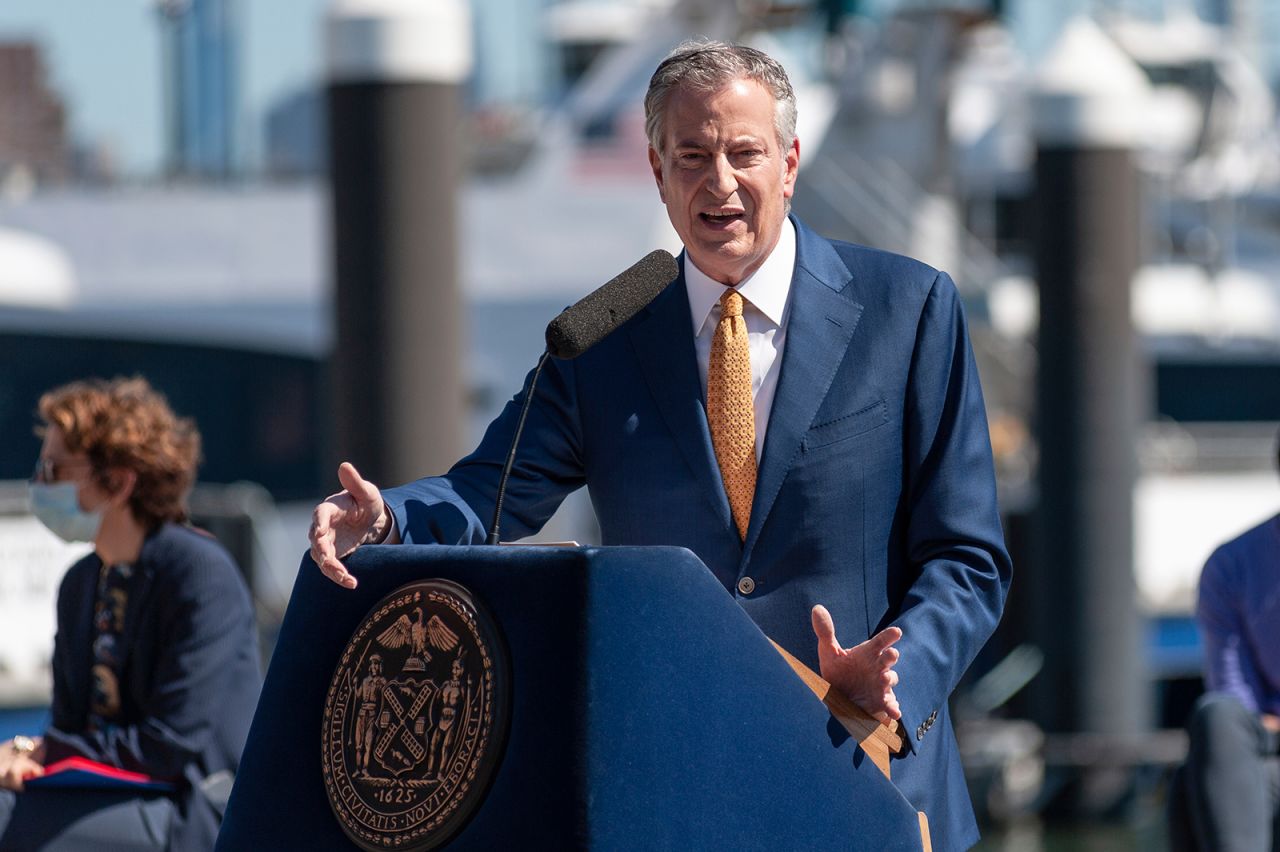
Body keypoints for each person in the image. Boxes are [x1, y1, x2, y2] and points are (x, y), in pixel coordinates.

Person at [309, 41, 1011, 850]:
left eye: (744, 153)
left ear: (788, 162)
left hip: (868, 782)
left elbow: (969, 559)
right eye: (693, 156)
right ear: (656, 170)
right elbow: (485, 495)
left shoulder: (911, 310)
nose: (720, 183)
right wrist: (388, 516)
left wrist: (892, 676)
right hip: (678, 794)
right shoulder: (601, 339)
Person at [0, 377, 262, 851]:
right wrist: (34, 760)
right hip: (110, 797)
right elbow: (69, 727)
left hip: (194, 812)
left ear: (119, 482)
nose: (39, 483)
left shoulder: (200, 572)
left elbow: (168, 747)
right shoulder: (81, 583)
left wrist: (37, 751)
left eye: (54, 469)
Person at [1168, 427, 1280, 852]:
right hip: (1264, 735)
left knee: (1188, 785)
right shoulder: (1233, 565)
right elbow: (1234, 696)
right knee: (1215, 718)